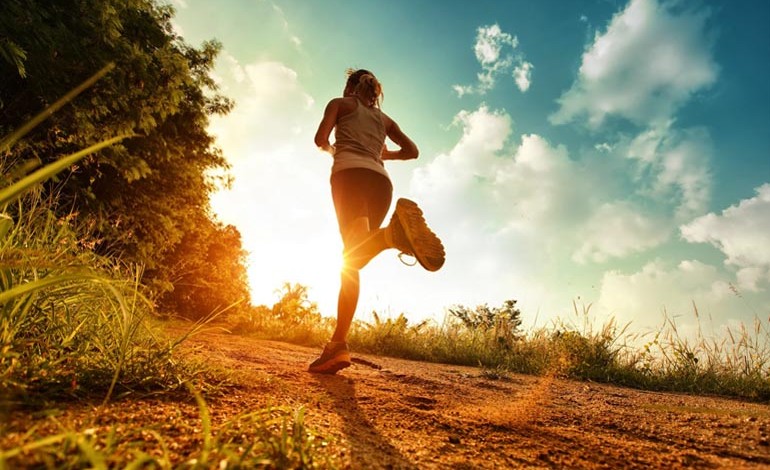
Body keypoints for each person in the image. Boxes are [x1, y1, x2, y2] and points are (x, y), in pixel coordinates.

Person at [309, 68, 445, 374]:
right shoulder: (385, 120)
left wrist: (334, 150)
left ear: (349, 88)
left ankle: (390, 236)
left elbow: (320, 139)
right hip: (381, 184)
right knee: (354, 259)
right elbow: (412, 151)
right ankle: (338, 345)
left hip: (350, 177)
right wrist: (384, 155)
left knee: (351, 258)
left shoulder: (340, 105)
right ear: (374, 91)